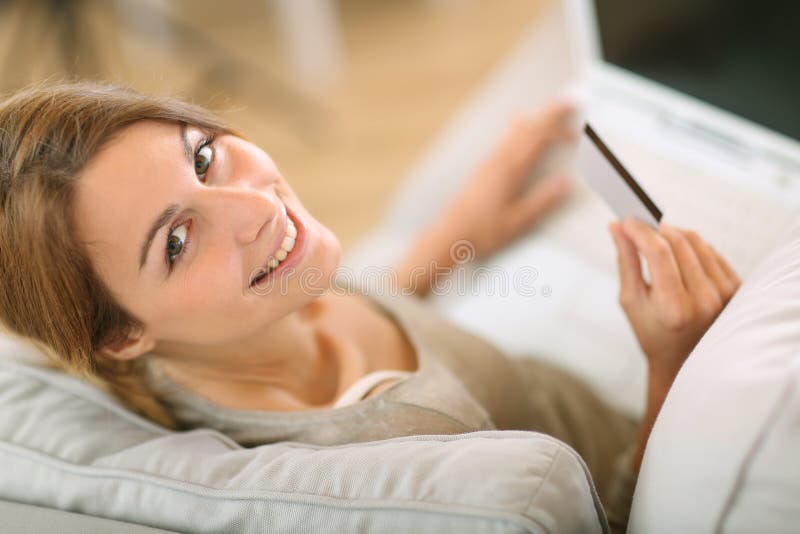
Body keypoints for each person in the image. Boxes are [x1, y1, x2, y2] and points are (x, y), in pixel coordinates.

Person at [0, 82, 740, 532]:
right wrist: (674, 363)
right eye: (178, 240)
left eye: (202, 156)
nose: (251, 205)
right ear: (123, 335)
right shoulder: (390, 444)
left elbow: (348, 300)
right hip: (661, 454)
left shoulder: (247, 312)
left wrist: (459, 231)